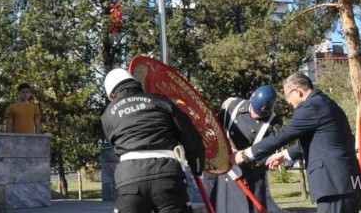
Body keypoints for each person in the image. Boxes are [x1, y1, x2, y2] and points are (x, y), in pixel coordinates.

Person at [233, 73, 361, 213]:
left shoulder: (310, 106)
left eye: (288, 96)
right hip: (349, 183)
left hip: (334, 186)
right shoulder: (326, 103)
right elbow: (321, 141)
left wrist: (245, 154)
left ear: (297, 91)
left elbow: (283, 135)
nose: (288, 101)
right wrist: (285, 154)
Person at [100, 68, 205, 213]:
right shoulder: (161, 102)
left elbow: (115, 144)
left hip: (129, 180)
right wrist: (197, 167)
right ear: (136, 83)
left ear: (112, 94)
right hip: (167, 176)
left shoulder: (107, 114)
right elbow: (190, 136)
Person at [206, 85, 283, 213]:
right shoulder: (233, 105)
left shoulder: (274, 122)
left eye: (260, 115)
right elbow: (215, 128)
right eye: (254, 112)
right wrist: (225, 148)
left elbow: (269, 155)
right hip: (226, 171)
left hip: (252, 176)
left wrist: (243, 166)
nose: (256, 116)